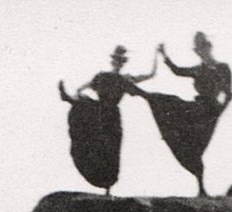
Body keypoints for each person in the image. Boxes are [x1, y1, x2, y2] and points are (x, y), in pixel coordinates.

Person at [139, 34, 232, 194]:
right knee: (171, 105)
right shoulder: (198, 69)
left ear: (209, 48)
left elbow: (229, 95)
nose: (201, 52)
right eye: (199, 50)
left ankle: (201, 188)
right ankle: (144, 94)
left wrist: (218, 114)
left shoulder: (223, 68)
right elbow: (177, 71)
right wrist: (164, 55)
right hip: (197, 108)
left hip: (210, 112)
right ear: (197, 52)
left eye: (204, 48)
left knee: (196, 146)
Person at [58, 46, 157, 194]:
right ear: (113, 62)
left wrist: (156, 56)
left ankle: (108, 186)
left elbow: (150, 75)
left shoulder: (126, 79)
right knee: (93, 135)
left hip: (111, 116)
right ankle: (68, 99)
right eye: (116, 60)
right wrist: (76, 95)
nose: (118, 63)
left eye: (120, 61)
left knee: (110, 150)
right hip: (99, 112)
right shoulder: (102, 76)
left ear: (123, 63)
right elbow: (82, 88)